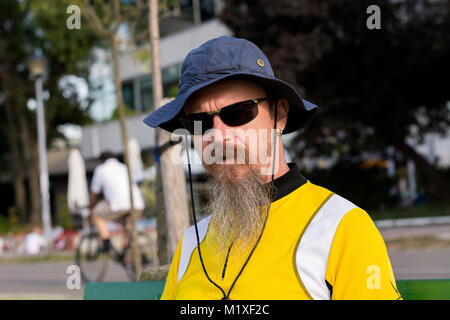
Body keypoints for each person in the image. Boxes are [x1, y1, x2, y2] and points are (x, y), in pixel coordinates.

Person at [143, 36, 401, 300]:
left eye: (238, 113)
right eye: (199, 121)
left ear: (279, 116)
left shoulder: (342, 228)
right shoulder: (191, 243)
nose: (217, 137)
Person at [89, 151, 145, 252]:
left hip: (118, 206)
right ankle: (134, 253)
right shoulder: (123, 167)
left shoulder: (100, 169)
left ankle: (106, 242)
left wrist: (91, 206)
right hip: (137, 204)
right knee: (128, 227)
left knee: (96, 214)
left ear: (101, 161)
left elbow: (94, 192)